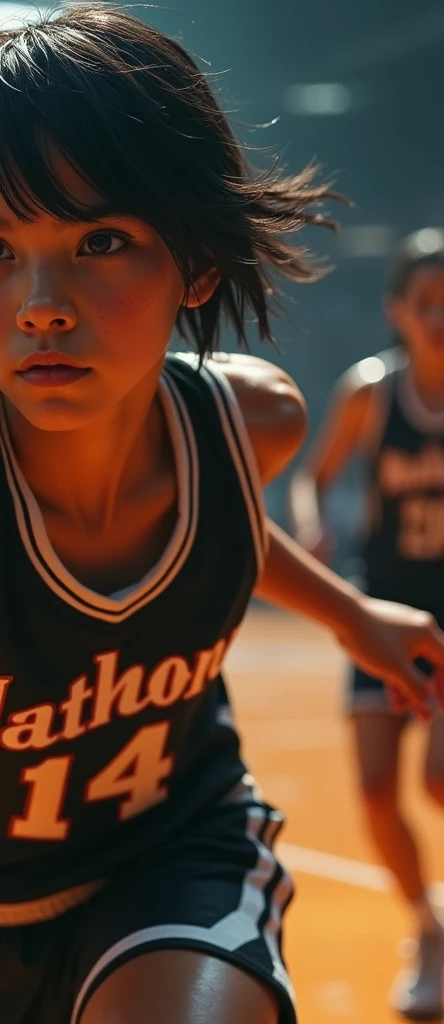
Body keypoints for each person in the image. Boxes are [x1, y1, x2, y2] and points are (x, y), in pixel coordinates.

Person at [0, 9, 442, 1024]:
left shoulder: (255, 421)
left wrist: (350, 613)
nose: (40, 302)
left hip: (178, 853)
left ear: (197, 263)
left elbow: (222, 528)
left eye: (101, 240)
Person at [290, 228, 444, 1020]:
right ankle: (428, 925)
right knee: (380, 792)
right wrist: (315, 525)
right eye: (427, 304)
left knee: (438, 778)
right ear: (398, 312)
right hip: (381, 607)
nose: (440, 318)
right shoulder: (370, 393)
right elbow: (313, 479)